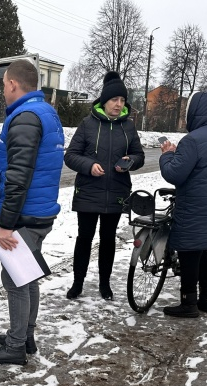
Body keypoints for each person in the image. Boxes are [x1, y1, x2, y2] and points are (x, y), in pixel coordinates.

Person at [0, 59, 64, 365]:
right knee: (26, 276)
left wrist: (6, 224)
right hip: (39, 210)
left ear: (13, 83)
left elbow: (19, 176)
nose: (3, 90)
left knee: (14, 277)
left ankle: (15, 346)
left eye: (3, 84)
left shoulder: (26, 118)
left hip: (26, 214)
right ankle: (25, 337)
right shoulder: (45, 113)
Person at [64, 71, 145, 300]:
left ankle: (104, 284)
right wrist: (89, 165)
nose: (118, 105)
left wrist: (130, 162)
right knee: (84, 239)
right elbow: (70, 156)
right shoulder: (87, 124)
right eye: (114, 100)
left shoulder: (128, 127)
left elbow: (138, 155)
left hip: (116, 192)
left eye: (121, 100)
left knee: (108, 240)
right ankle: (77, 283)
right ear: (104, 101)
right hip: (89, 192)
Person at [158, 90, 207, 318]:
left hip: (197, 207)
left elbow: (174, 174)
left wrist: (167, 154)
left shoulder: (192, 140)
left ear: (196, 110)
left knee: (188, 251)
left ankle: (188, 303)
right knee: (203, 252)